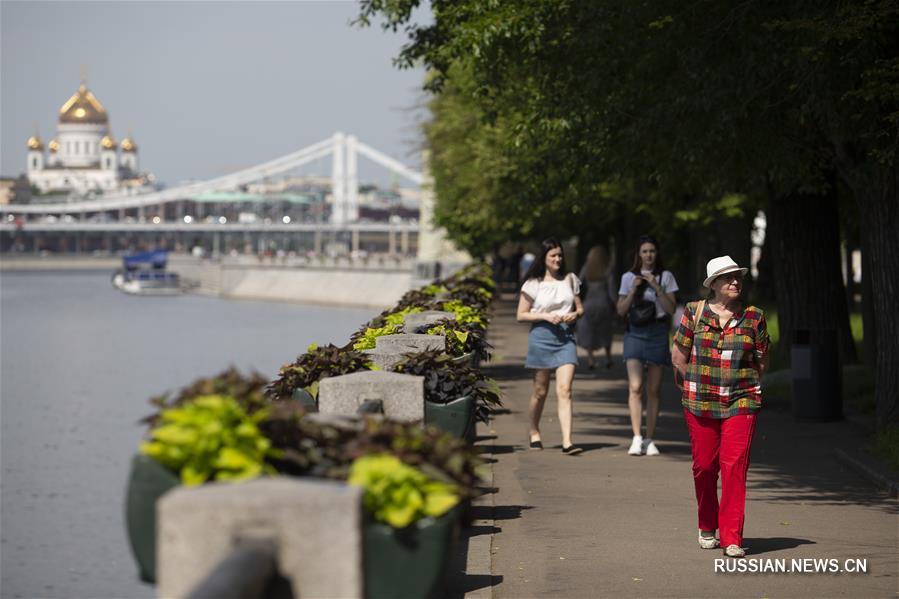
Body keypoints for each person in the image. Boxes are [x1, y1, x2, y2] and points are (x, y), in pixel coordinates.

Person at [671, 256, 769, 558]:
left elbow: (763, 360)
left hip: (742, 400)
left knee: (734, 467)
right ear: (713, 284)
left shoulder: (753, 317)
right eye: (727, 278)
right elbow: (679, 357)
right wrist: (694, 385)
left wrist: (745, 384)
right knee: (704, 467)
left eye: (737, 277)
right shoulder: (694, 312)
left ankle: (732, 538)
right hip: (700, 401)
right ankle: (707, 525)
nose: (735, 282)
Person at [517, 237, 584, 455]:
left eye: (560, 255)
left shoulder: (571, 279)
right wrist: (546, 316)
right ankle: (534, 430)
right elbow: (521, 314)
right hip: (541, 337)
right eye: (553, 255)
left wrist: (574, 314)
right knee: (540, 391)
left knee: (565, 389)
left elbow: (579, 308)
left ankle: (567, 441)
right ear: (544, 258)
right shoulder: (533, 283)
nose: (557, 259)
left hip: (565, 337)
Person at [616, 235, 678, 456]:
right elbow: (620, 310)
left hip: (657, 332)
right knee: (635, 386)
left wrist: (655, 286)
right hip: (635, 332)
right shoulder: (627, 277)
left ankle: (650, 438)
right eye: (644, 251)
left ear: (657, 253)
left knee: (653, 389)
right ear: (638, 254)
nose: (648, 255)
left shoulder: (666, 276)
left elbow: (671, 309)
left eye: (652, 251)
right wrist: (634, 289)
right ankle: (636, 436)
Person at [577, 245, 616, 369]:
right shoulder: (607, 270)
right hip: (603, 305)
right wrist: (616, 304)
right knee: (605, 331)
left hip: (588, 304)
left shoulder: (587, 268)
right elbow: (611, 292)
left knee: (589, 331)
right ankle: (608, 358)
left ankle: (590, 360)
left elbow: (577, 282)